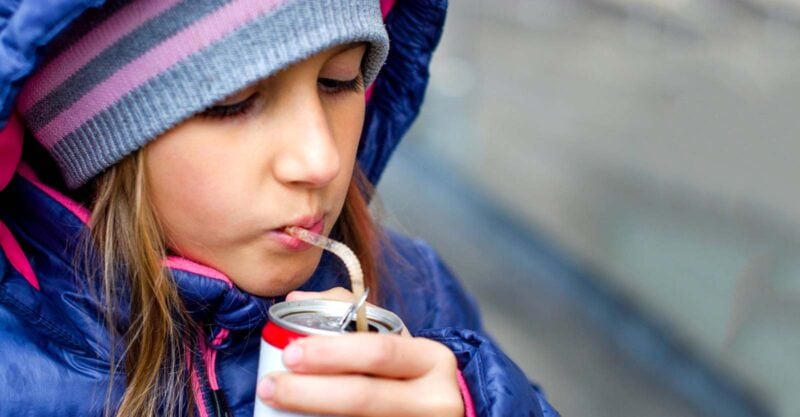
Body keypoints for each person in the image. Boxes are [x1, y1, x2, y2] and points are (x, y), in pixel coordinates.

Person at [0, 0, 560, 416]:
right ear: (92, 138)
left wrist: (477, 402)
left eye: (338, 82)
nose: (320, 161)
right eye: (233, 103)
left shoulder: (418, 294)